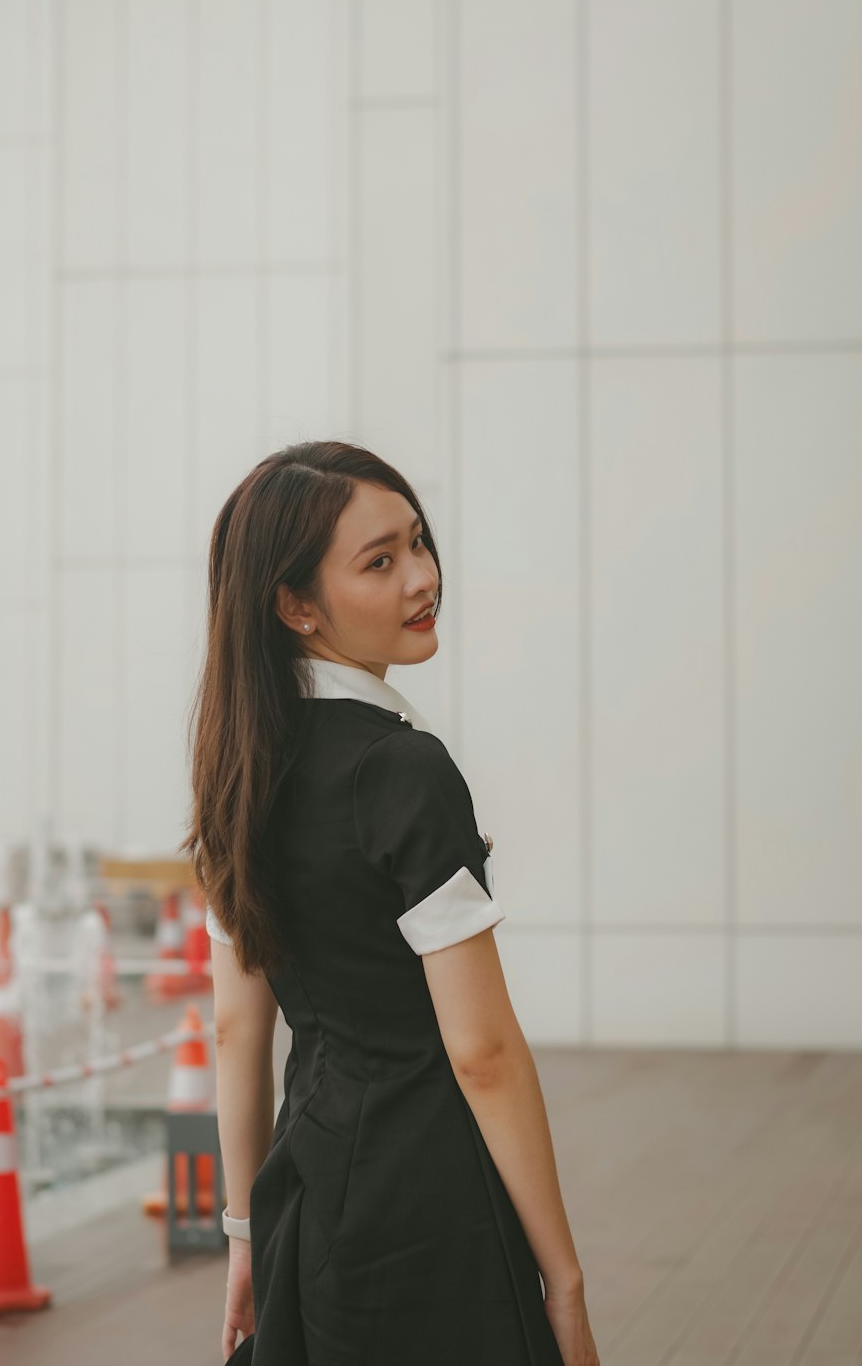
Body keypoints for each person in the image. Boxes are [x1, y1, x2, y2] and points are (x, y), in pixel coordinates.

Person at [179, 441, 600, 1366]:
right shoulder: (403, 772)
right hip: (432, 1198)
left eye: (418, 542)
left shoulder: (237, 774)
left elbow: (237, 1032)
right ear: (295, 606)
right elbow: (482, 1051)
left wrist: (244, 1235)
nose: (423, 578)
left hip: (310, 1186)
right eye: (381, 561)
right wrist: (563, 1280)